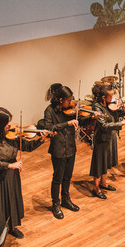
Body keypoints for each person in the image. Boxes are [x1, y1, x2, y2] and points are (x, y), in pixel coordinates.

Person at [0, 107, 48, 238]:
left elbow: (27, 147)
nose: (10, 125)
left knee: (11, 199)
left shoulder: (12, 135)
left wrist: (40, 139)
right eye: (7, 122)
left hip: (11, 173)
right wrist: (10, 165)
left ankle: (11, 226)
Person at [39, 84, 83, 219]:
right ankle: (56, 204)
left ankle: (66, 199)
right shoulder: (49, 111)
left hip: (71, 147)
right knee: (57, 178)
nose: (71, 103)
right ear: (60, 100)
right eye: (68, 100)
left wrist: (89, 117)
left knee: (68, 177)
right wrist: (66, 124)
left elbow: (79, 120)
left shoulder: (70, 110)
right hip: (58, 149)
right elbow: (49, 128)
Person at [89, 83, 125, 199]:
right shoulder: (97, 107)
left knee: (106, 161)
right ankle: (96, 187)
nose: (113, 98)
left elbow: (116, 114)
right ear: (103, 97)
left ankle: (104, 183)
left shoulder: (109, 104)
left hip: (110, 137)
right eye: (111, 96)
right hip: (101, 139)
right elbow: (104, 125)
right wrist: (121, 123)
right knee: (99, 163)